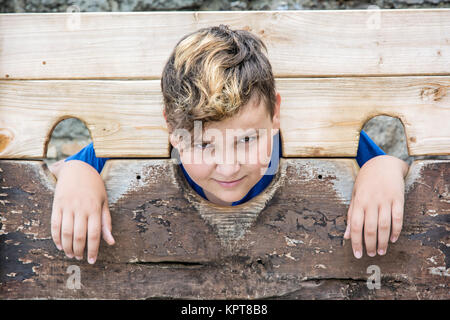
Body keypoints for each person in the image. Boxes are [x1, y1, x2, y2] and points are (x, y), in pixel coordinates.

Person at [49, 25, 409, 265]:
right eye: (204, 144)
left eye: (248, 140)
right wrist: (79, 173)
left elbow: (398, 170)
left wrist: (383, 168)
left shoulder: (324, 143)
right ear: (170, 129)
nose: (228, 167)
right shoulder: (124, 146)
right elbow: (59, 172)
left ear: (276, 113)